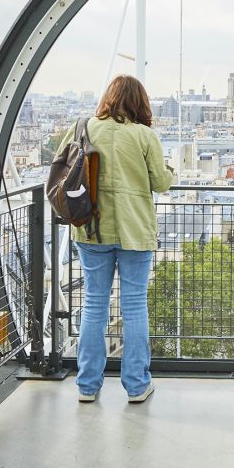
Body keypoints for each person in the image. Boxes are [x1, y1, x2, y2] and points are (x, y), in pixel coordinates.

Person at [56, 74, 174, 404]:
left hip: (91, 226)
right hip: (134, 229)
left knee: (94, 304)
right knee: (135, 305)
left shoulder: (84, 127)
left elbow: (63, 167)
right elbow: (162, 183)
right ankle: (136, 385)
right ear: (140, 102)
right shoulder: (144, 135)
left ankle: (87, 386)